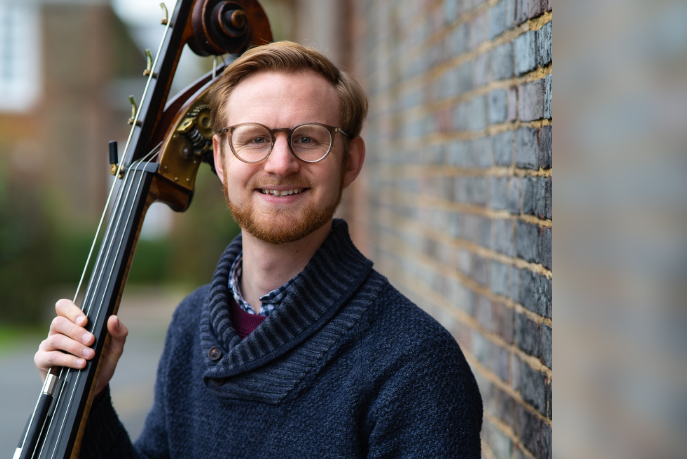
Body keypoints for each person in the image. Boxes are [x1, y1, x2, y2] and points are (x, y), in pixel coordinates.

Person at [34, 41, 483, 458]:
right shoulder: (191, 324)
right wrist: (88, 402)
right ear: (221, 159)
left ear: (351, 160)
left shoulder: (415, 363)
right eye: (255, 138)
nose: (281, 162)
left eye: (308, 138)